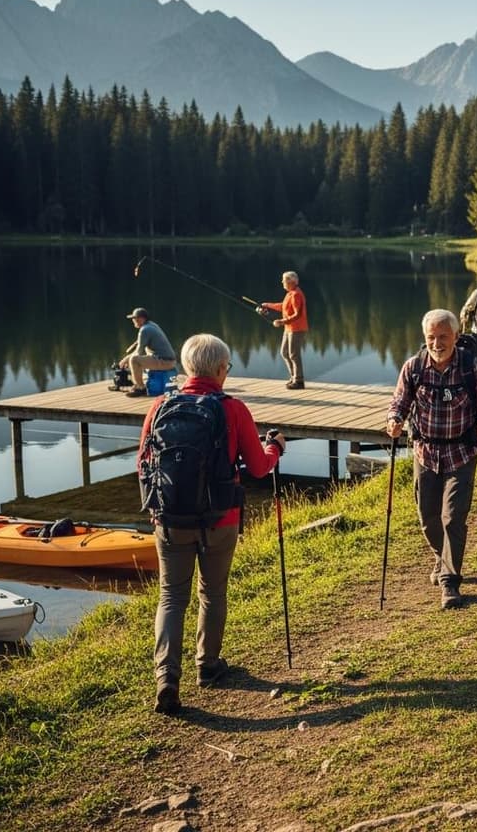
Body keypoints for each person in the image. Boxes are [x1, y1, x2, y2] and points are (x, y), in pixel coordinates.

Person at [139, 333, 286, 715]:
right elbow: (257, 466)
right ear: (221, 370)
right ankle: (208, 666)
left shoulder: (159, 405)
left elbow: (143, 464)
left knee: (171, 598)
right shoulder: (233, 408)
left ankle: (167, 679)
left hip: (169, 520)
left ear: (187, 367)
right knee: (212, 592)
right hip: (220, 519)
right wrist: (276, 448)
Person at [387, 309, 477, 609]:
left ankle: (450, 582)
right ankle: (441, 555)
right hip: (425, 453)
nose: (437, 343)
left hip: (461, 453)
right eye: (431, 337)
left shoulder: (470, 367)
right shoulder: (414, 367)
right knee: (428, 519)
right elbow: (399, 403)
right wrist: (394, 420)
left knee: (453, 518)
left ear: (456, 337)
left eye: (443, 337)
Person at [259, 270, 308, 389]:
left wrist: (281, 321)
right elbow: (283, 306)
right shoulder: (290, 293)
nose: (282, 282)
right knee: (284, 352)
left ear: (291, 282)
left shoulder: (296, 294)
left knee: (293, 354)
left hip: (296, 328)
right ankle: (293, 377)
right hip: (289, 328)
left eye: (284, 280)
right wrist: (267, 305)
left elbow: (298, 314)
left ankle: (299, 381)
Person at [120, 307, 177, 398]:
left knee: (134, 360)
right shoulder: (152, 325)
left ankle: (140, 388)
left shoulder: (144, 330)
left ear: (142, 319)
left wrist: (125, 360)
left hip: (164, 361)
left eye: (135, 318)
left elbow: (138, 352)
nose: (133, 320)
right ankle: (139, 385)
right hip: (169, 361)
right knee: (138, 359)